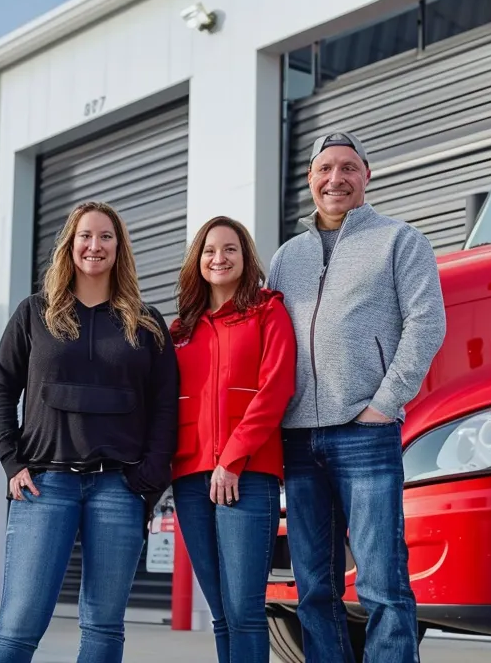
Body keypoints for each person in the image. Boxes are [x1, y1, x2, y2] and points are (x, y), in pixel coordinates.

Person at [266, 131, 446, 662]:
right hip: (298, 440)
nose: (335, 179)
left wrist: (383, 404)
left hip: (366, 433)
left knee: (382, 582)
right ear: (310, 180)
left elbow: (426, 323)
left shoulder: (400, 240)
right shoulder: (287, 256)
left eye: (348, 168)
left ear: (367, 175)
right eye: (325, 169)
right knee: (314, 587)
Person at [0, 200, 179, 663]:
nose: (95, 246)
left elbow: (166, 407)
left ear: (120, 247)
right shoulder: (35, 313)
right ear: (69, 246)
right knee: (18, 624)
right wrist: (12, 462)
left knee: (104, 626)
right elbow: (1, 391)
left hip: (119, 487)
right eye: (85, 236)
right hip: (44, 485)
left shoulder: (146, 322)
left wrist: (148, 479)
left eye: (106, 236)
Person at [168, 216, 296, 663]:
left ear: (246, 259)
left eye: (229, 249)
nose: (218, 258)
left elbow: (276, 388)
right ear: (197, 261)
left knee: (244, 610)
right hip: (190, 477)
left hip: (246, 475)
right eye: (209, 250)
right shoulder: (181, 330)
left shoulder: (267, 311)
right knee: (221, 612)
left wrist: (233, 458)